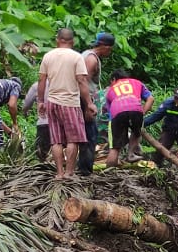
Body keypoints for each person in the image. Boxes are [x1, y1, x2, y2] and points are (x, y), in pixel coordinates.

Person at [38, 28, 91, 179]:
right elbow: (81, 80)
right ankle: (69, 172)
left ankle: (59, 173)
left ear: (57, 40)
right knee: (73, 139)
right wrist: (89, 103)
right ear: (72, 42)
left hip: (52, 102)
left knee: (56, 140)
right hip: (70, 103)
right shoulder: (76, 57)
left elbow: (41, 80)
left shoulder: (48, 56)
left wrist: (41, 101)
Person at [77, 31, 115, 174]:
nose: (109, 52)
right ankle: (85, 170)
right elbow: (83, 81)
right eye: (110, 49)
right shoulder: (91, 59)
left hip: (82, 99)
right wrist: (88, 104)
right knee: (90, 135)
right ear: (104, 46)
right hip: (84, 100)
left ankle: (83, 167)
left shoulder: (86, 54)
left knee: (86, 134)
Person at [103, 69, 154, 167]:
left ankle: (110, 169)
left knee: (115, 148)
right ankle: (130, 154)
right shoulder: (136, 82)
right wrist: (142, 112)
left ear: (114, 79)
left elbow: (111, 115)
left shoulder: (110, 90)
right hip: (136, 109)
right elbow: (150, 99)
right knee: (136, 132)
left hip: (117, 112)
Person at [144, 87, 178, 166]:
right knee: (160, 150)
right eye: (176, 98)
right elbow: (155, 116)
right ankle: (156, 168)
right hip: (169, 131)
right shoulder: (168, 104)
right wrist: (142, 124)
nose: (177, 100)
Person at [21, 83, 50, 161]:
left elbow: (26, 105)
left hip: (44, 123)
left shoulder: (37, 86)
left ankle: (46, 169)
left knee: (42, 153)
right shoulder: (63, 83)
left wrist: (24, 112)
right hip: (62, 124)